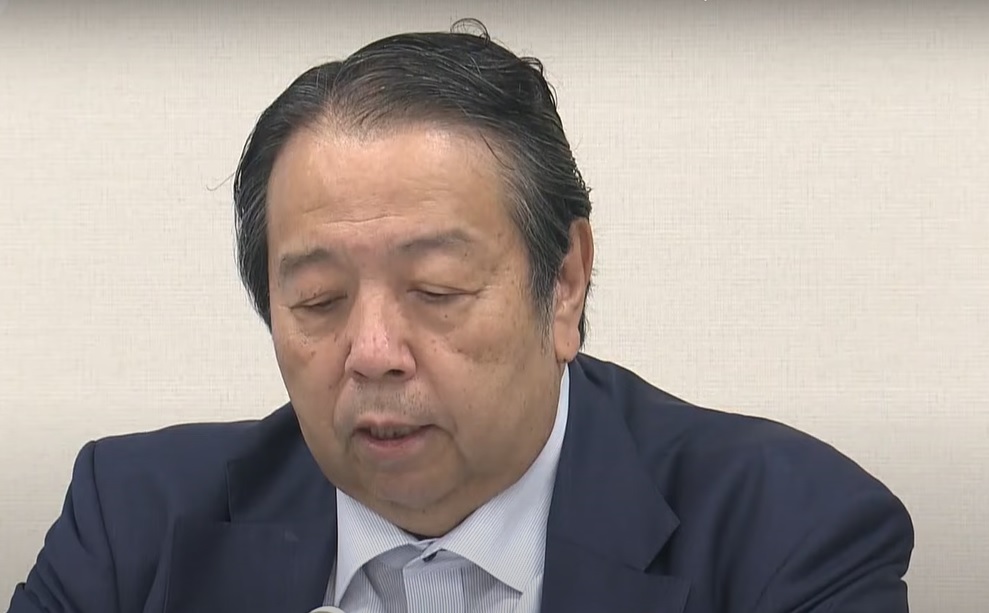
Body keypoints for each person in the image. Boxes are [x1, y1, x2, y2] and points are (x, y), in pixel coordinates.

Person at [7, 19, 913, 613]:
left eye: (435, 290)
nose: (372, 353)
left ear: (565, 284)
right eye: (318, 301)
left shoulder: (785, 534)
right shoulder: (132, 526)